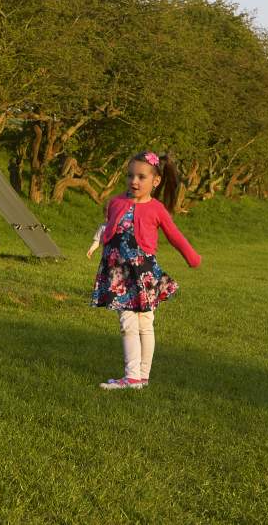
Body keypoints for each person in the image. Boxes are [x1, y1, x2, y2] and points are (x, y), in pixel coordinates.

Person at [91, 151, 201, 390]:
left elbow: (174, 235)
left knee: (143, 324)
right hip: (119, 272)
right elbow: (108, 227)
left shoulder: (157, 208)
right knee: (128, 323)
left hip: (143, 273)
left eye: (141, 176)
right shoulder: (116, 202)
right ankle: (135, 378)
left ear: (156, 181)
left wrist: (192, 257)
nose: (134, 181)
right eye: (130, 175)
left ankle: (138, 377)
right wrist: (98, 241)